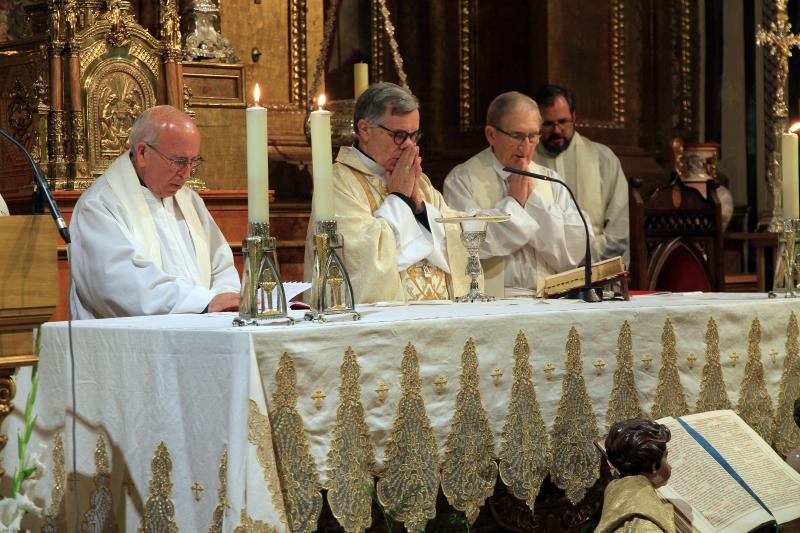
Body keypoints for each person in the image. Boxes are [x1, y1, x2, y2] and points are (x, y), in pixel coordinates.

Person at [304, 82, 474, 303]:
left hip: (437, 314)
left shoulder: (419, 181)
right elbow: (360, 256)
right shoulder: (338, 182)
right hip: (382, 321)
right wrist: (400, 199)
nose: (409, 146)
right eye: (399, 135)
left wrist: (420, 208)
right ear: (364, 129)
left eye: (414, 136)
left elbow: (455, 238)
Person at [69, 105, 240, 319]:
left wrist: (225, 300)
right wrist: (205, 303)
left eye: (193, 161)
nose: (186, 174)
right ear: (142, 153)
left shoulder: (190, 201)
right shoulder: (99, 206)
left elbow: (221, 266)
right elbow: (124, 285)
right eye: (178, 161)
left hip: (202, 332)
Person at [443, 91, 589, 297]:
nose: (526, 146)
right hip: (492, 303)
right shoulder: (462, 179)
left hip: (550, 300)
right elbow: (467, 243)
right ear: (491, 135)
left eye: (532, 136)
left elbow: (575, 248)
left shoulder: (550, 179)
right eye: (517, 136)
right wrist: (514, 204)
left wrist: (532, 202)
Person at [533, 84, 630, 262]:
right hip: (541, 271)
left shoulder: (603, 159)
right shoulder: (526, 163)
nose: (556, 130)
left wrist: (583, 261)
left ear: (574, 117)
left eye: (563, 121)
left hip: (595, 269)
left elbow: (619, 232)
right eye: (547, 124)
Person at [595, 419, 675, 533]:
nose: (670, 466)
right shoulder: (647, 525)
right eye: (665, 457)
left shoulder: (614, 489)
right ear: (653, 466)